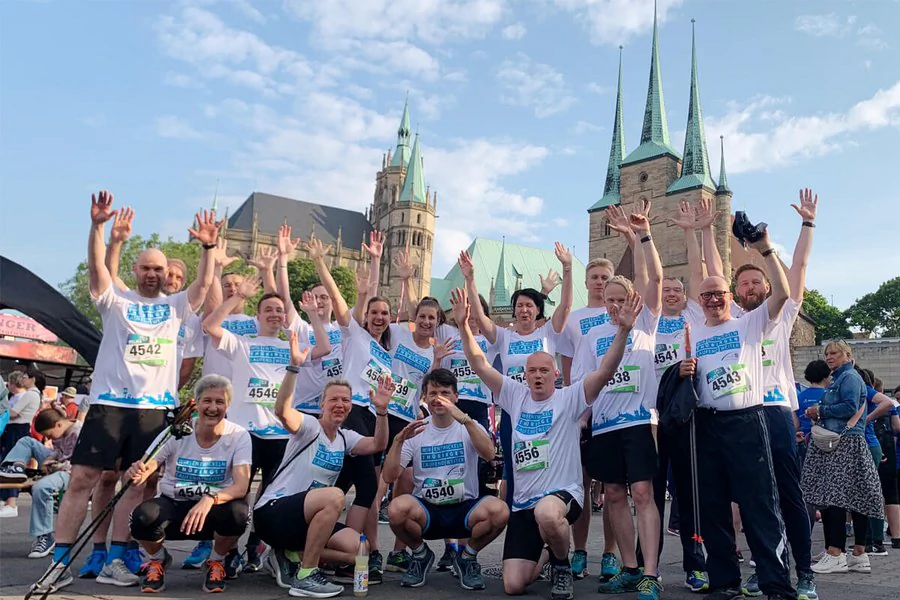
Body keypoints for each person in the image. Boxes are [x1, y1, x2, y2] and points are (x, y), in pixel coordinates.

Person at [31, 191, 220, 594]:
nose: (152, 274)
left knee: (138, 485)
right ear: (135, 270)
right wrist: (99, 227)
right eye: (146, 268)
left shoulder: (176, 306)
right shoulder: (115, 300)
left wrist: (208, 247)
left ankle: (117, 558)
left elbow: (204, 285)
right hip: (109, 406)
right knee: (83, 478)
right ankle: (59, 562)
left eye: (158, 268)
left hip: (154, 411)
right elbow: (98, 270)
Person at [452, 285, 639, 600]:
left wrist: (623, 330)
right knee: (513, 585)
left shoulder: (570, 397)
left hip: (562, 496)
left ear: (555, 373)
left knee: (547, 514)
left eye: (543, 371)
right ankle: (548, 550)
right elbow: (480, 364)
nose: (537, 376)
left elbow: (606, 370)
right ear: (524, 375)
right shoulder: (515, 395)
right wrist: (462, 326)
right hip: (524, 504)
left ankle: (562, 566)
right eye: (531, 371)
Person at [701, 189, 818, 600]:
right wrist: (704, 232)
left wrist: (806, 225)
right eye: (743, 282)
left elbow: (799, 267)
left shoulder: (781, 314)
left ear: (768, 287)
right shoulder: (730, 322)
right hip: (739, 414)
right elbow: (713, 270)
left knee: (786, 494)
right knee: (750, 498)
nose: (749, 286)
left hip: (774, 410)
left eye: (756, 281)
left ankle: (803, 572)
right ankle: (765, 567)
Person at [678, 222, 796, 600]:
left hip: (747, 420)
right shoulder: (692, 331)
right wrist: (682, 372)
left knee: (759, 504)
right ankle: (725, 582)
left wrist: (765, 248)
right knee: (712, 507)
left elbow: (782, 294)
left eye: (719, 293)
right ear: (700, 299)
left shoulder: (750, 322)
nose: (713, 299)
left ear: (730, 296)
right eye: (706, 294)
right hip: (707, 424)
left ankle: (776, 584)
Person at [204, 274, 331, 572]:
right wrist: (238, 297)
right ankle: (224, 554)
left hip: (281, 435)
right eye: (268, 310)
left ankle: (258, 546)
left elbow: (324, 347)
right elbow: (210, 326)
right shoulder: (243, 343)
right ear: (258, 316)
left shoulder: (293, 347)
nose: (275, 314)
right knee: (237, 493)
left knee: (274, 496)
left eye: (279, 310)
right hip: (245, 434)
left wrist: (312, 314)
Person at [254, 331, 392, 598]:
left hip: (306, 520)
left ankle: (292, 554)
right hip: (274, 513)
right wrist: (294, 367)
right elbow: (282, 411)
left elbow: (377, 445)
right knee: (335, 496)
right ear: (322, 404)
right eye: (334, 400)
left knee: (356, 545)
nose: (340, 405)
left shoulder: (345, 437)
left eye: (345, 400)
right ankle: (306, 575)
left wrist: (383, 411)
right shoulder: (309, 427)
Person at [573, 205, 663, 600]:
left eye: (620, 298)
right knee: (611, 495)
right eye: (608, 300)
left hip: (640, 422)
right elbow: (584, 386)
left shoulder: (646, 320)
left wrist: (642, 236)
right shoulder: (593, 337)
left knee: (642, 493)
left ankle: (651, 572)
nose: (614, 306)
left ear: (632, 298)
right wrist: (580, 418)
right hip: (606, 426)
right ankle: (628, 566)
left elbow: (656, 277)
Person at [383, 368, 509, 590]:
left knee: (499, 511)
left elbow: (489, 454)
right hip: (428, 511)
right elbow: (389, 476)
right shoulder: (417, 431)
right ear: (425, 397)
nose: (438, 398)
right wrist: (398, 442)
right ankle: (421, 555)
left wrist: (466, 421)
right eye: (433, 393)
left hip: (465, 509)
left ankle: (467, 557)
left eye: (445, 393)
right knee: (395, 510)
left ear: (456, 396)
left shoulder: (469, 427)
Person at [127, 375, 252, 594]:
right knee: (141, 517)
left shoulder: (239, 435)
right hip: (174, 504)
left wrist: (210, 499)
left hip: (213, 510)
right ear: (196, 403)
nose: (213, 408)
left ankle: (215, 562)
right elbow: (145, 468)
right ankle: (157, 559)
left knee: (239, 513)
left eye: (219, 402)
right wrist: (136, 471)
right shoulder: (176, 431)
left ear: (228, 406)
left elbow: (241, 486)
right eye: (207, 401)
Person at [802, 341, 884, 575]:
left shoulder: (848, 378)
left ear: (847, 355)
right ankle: (857, 553)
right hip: (848, 441)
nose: (829, 357)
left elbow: (848, 405)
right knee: (855, 496)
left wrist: (820, 411)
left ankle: (836, 552)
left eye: (834, 353)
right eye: (827, 353)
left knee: (835, 497)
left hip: (842, 442)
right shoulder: (844, 377)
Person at [0, 408, 82, 558]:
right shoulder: (60, 431)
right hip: (60, 463)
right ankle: (13, 467)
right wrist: (51, 458)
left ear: (58, 424)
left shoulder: (80, 433)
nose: (49, 439)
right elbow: (60, 451)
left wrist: (57, 464)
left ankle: (45, 535)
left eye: (49, 435)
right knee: (27, 441)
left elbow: (81, 463)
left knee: (41, 487)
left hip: (72, 471)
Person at [0, 369, 42, 518]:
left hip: (18, 429)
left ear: (33, 379)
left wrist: (3, 410)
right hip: (15, 429)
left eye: (25, 377)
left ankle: (11, 502)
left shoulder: (31, 394)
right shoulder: (31, 394)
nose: (22, 379)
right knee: (7, 464)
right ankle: (6, 499)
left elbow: (14, 413)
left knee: (12, 465)